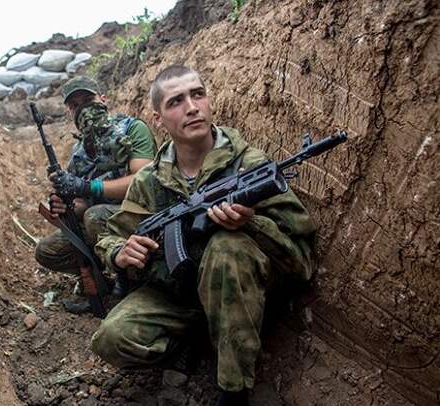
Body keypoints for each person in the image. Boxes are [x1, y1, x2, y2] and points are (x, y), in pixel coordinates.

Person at [91, 65, 316, 405]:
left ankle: (234, 390)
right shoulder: (149, 181)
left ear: (210, 101)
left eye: (198, 94)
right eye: (176, 101)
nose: (192, 107)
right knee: (110, 339)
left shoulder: (249, 167)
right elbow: (111, 234)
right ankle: (197, 340)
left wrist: (250, 223)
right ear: (158, 119)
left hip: (243, 291)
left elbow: (301, 254)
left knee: (228, 248)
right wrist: (120, 251)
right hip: (177, 295)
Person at [34, 76, 157, 313]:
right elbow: (81, 206)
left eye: (88, 100)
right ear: (71, 112)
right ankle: (102, 279)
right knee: (47, 250)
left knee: (95, 215)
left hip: (143, 217)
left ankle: (134, 284)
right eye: (76, 105)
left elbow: (144, 180)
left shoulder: (132, 129)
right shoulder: (78, 156)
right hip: (101, 225)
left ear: (103, 99)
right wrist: (65, 204)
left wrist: (87, 188)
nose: (84, 109)